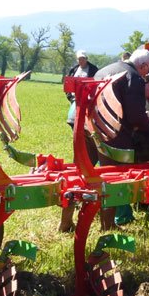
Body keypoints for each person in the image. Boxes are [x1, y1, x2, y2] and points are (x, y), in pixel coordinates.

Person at [92, 48, 149, 228]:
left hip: (88, 128)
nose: (148, 73)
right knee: (115, 179)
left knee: (82, 175)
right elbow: (136, 116)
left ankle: (66, 223)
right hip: (111, 134)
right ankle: (108, 226)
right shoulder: (134, 77)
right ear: (143, 65)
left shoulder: (102, 70)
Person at [59, 50, 99, 232]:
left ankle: (66, 221)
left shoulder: (94, 70)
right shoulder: (74, 70)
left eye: (82, 58)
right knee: (84, 161)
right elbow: (66, 87)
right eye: (79, 59)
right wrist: (72, 99)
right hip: (80, 114)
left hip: (80, 114)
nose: (80, 61)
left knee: (81, 161)